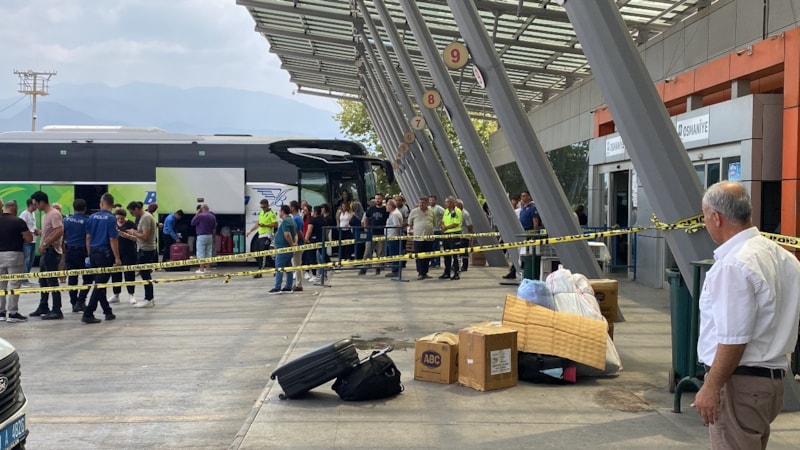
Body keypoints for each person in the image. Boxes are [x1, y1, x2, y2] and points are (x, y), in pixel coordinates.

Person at [691, 181, 800, 449]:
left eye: (705, 217)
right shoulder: (782, 257)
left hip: (739, 384)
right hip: (770, 381)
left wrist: (711, 386)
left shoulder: (734, 265)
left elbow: (733, 339)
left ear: (716, 217)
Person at [82, 193, 121, 324]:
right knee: (100, 284)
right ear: (112, 204)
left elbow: (88, 237)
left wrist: (89, 254)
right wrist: (117, 257)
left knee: (100, 283)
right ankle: (88, 313)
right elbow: (113, 239)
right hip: (105, 254)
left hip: (93, 252)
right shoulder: (111, 218)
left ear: (101, 203)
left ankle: (107, 311)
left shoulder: (91, 217)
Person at [29, 191, 65, 320]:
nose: (35, 206)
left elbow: (59, 231)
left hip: (51, 251)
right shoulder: (47, 215)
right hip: (46, 251)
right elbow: (52, 231)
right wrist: (41, 233)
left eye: (35, 204)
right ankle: (43, 305)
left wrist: (45, 243)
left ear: (42, 202)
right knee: (43, 280)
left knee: (52, 280)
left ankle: (57, 309)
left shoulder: (54, 214)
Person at [0, 200, 33, 323]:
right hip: (14, 255)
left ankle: (1, 312)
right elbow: (29, 238)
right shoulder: (18, 221)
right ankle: (12, 313)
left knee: (1, 284)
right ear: (15, 209)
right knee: (14, 284)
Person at [124, 201, 158, 308]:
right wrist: (128, 235)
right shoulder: (143, 218)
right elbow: (140, 237)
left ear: (136, 209)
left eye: (132, 212)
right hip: (143, 248)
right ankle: (148, 298)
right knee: (144, 274)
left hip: (147, 250)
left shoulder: (146, 218)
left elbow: (145, 236)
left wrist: (133, 232)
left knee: (145, 274)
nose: (132, 215)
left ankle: (149, 298)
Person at [63, 199, 93, 312]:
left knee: (72, 278)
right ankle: (81, 300)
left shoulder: (66, 220)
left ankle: (74, 302)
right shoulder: (87, 221)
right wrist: (89, 254)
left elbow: (63, 235)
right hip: (82, 251)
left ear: (73, 207)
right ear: (85, 208)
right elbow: (88, 237)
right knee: (88, 277)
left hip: (69, 250)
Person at [109, 208, 138, 305]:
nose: (120, 220)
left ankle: (131, 294)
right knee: (116, 274)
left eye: (122, 218)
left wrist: (126, 235)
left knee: (129, 273)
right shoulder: (113, 224)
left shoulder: (131, 224)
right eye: (118, 218)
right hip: (116, 251)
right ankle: (116, 294)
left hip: (129, 251)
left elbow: (137, 238)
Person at [268, 205, 297, 295]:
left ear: (283, 211)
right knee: (288, 268)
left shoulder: (285, 222)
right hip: (288, 249)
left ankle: (277, 287)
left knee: (279, 268)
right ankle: (288, 287)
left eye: (280, 211)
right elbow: (295, 234)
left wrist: (291, 244)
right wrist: (294, 244)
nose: (279, 213)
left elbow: (287, 234)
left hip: (283, 249)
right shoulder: (292, 220)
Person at [246, 199, 277, 279]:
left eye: (264, 207)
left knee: (263, 253)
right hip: (260, 235)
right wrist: (250, 231)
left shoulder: (271, 214)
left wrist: (265, 225)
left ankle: (260, 271)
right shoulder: (262, 212)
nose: (263, 208)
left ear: (267, 205)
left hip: (267, 235)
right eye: (261, 207)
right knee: (258, 252)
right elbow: (258, 223)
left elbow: (275, 224)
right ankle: (276, 268)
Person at [408, 197, 435, 280]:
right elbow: (410, 223)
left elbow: (434, 222)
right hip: (418, 237)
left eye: (423, 202)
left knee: (427, 256)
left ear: (427, 203)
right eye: (420, 202)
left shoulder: (431, 212)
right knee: (419, 256)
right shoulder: (414, 211)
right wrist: (412, 231)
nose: (421, 204)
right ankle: (420, 273)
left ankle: (425, 272)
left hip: (429, 237)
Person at [362, 193, 389, 275]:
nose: (377, 200)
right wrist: (366, 228)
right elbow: (366, 218)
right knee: (367, 251)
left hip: (381, 233)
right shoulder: (371, 209)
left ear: (382, 199)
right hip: (371, 233)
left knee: (380, 251)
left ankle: (379, 267)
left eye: (379, 198)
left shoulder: (385, 210)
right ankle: (364, 267)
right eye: (376, 198)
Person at [439, 196, 462, 281]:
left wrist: (446, 228)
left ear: (452, 203)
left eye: (448, 202)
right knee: (446, 254)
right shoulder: (446, 211)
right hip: (446, 234)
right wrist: (442, 226)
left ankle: (456, 273)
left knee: (455, 254)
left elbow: (456, 223)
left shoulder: (457, 211)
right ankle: (447, 272)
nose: (446, 203)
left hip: (454, 234)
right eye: (446, 202)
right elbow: (443, 221)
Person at [191, 204, 216, 274]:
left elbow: (192, 223)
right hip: (210, 236)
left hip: (201, 236)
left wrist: (196, 214)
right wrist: (213, 236)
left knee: (201, 252)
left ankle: (201, 269)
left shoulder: (200, 216)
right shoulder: (212, 216)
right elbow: (214, 227)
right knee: (208, 252)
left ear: (201, 209)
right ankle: (208, 268)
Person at [18, 198, 38, 286]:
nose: (36, 206)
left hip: (33, 240)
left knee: (31, 261)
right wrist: (33, 231)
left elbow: (33, 226)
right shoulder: (24, 214)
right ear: (30, 205)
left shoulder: (33, 214)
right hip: (26, 241)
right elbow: (22, 228)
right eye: (34, 204)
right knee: (26, 261)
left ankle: (26, 278)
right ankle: (23, 280)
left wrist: (36, 230)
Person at [305, 205, 326, 283]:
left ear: (315, 212)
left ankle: (314, 275)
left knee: (312, 257)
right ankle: (324, 273)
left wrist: (306, 238)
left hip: (313, 240)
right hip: (321, 239)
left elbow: (309, 230)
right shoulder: (324, 220)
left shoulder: (312, 220)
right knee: (323, 255)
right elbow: (327, 230)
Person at [384, 199, 403, 278]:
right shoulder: (393, 213)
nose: (386, 206)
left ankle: (395, 271)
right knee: (393, 254)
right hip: (391, 237)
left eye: (387, 205)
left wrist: (398, 235)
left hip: (393, 237)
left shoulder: (395, 214)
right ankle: (395, 269)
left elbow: (397, 226)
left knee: (394, 254)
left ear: (391, 206)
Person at [289, 201, 304, 292]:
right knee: (297, 263)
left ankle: (299, 284)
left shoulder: (295, 219)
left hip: (298, 244)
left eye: (290, 206)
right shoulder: (299, 218)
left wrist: (303, 240)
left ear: (293, 208)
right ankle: (298, 283)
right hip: (300, 243)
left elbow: (298, 231)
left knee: (297, 264)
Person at [456, 199, 474, 272]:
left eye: (457, 206)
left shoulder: (465, 214)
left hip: (464, 235)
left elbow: (469, 226)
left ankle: (464, 266)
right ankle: (457, 265)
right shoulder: (456, 212)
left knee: (464, 251)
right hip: (458, 235)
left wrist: (471, 235)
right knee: (458, 251)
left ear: (461, 205)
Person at [428, 195, 445, 268]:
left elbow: (445, 215)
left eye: (433, 200)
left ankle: (437, 262)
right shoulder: (428, 208)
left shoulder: (439, 208)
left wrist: (442, 222)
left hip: (436, 230)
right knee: (430, 247)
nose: (431, 201)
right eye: (430, 200)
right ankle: (432, 262)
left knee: (436, 247)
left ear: (436, 201)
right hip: (430, 230)